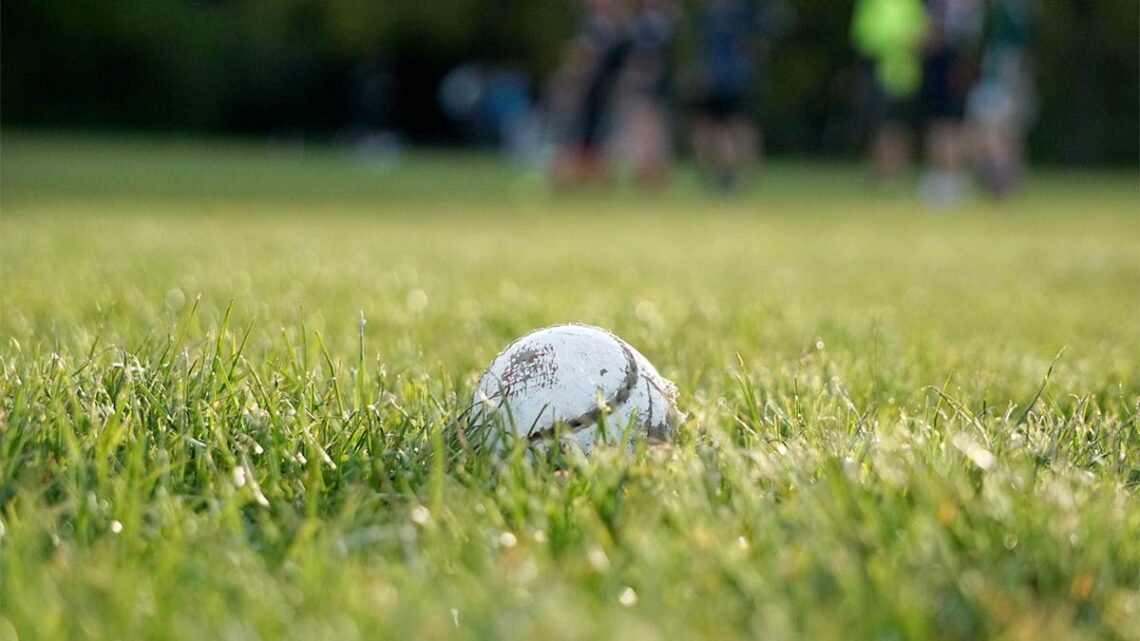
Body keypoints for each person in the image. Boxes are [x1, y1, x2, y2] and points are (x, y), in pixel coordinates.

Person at [548, 0, 632, 188]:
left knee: (595, 138)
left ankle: (586, 178)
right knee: (583, 138)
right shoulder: (597, 26)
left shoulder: (612, 29)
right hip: (591, 95)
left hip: (602, 94)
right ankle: (580, 179)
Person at [689, 0, 768, 192]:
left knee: (735, 126)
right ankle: (721, 174)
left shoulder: (745, 13)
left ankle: (736, 174)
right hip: (714, 80)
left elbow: (757, 43)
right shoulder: (710, 15)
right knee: (710, 127)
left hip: (732, 80)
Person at [851, 0, 929, 182]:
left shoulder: (911, 4)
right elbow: (863, 38)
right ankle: (882, 170)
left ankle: (899, 170)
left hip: (908, 76)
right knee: (880, 125)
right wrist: (899, 42)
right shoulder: (872, 4)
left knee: (902, 125)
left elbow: (922, 34)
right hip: (880, 72)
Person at [967, 0, 1038, 197]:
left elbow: (1021, 52)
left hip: (1006, 76)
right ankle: (1002, 181)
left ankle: (1003, 181)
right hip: (998, 76)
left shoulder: (1014, 13)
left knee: (999, 131)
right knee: (998, 132)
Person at [918, 0, 984, 208]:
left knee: (944, 124)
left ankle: (948, 177)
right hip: (955, 64)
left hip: (947, 65)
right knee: (951, 123)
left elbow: (937, 33)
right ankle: (951, 177)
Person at [614, 0, 677, 188]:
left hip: (654, 89)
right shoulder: (641, 22)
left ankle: (654, 177)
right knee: (640, 132)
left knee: (653, 133)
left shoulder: (662, 23)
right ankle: (643, 176)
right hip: (641, 89)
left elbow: (655, 56)